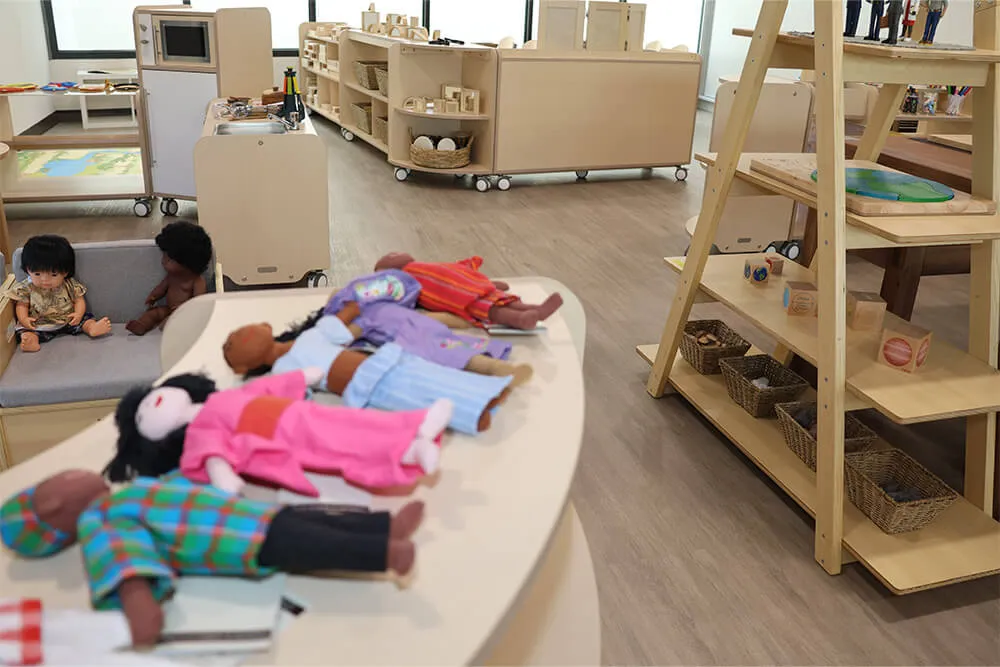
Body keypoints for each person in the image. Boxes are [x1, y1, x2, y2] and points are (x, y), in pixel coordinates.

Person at [0, 469, 425, 647]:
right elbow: (123, 556)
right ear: (54, 509)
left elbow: (178, 485)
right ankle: (386, 553)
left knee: (314, 520)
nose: (69, 475)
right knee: (316, 543)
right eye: (57, 483)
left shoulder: (128, 490)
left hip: (249, 514)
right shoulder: (99, 520)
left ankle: (385, 526)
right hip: (238, 542)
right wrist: (138, 600)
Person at [4, 235, 111, 353]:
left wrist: (78, 314)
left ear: (65, 272)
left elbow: (78, 300)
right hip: (40, 324)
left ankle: (92, 328)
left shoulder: (69, 284)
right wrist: (24, 319)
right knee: (25, 330)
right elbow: (22, 305)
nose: (44, 280)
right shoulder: (26, 287)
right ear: (28, 270)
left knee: (86, 319)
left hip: (69, 320)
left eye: (53, 275)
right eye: (37, 274)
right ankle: (31, 340)